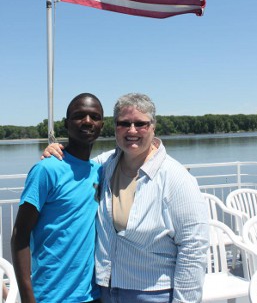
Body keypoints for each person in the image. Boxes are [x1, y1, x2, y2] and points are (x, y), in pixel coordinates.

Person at [42, 93, 209, 303]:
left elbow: (193, 249)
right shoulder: (104, 165)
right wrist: (57, 150)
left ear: (153, 126)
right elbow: (76, 164)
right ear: (115, 127)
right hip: (104, 291)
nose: (132, 130)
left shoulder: (176, 178)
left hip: (152, 294)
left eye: (140, 123)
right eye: (124, 123)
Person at [11, 93, 104, 303]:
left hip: (93, 295)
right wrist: (28, 297)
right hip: (51, 296)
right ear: (66, 123)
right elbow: (20, 235)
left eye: (94, 117)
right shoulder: (46, 170)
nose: (87, 121)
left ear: (102, 125)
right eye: (79, 115)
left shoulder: (101, 172)